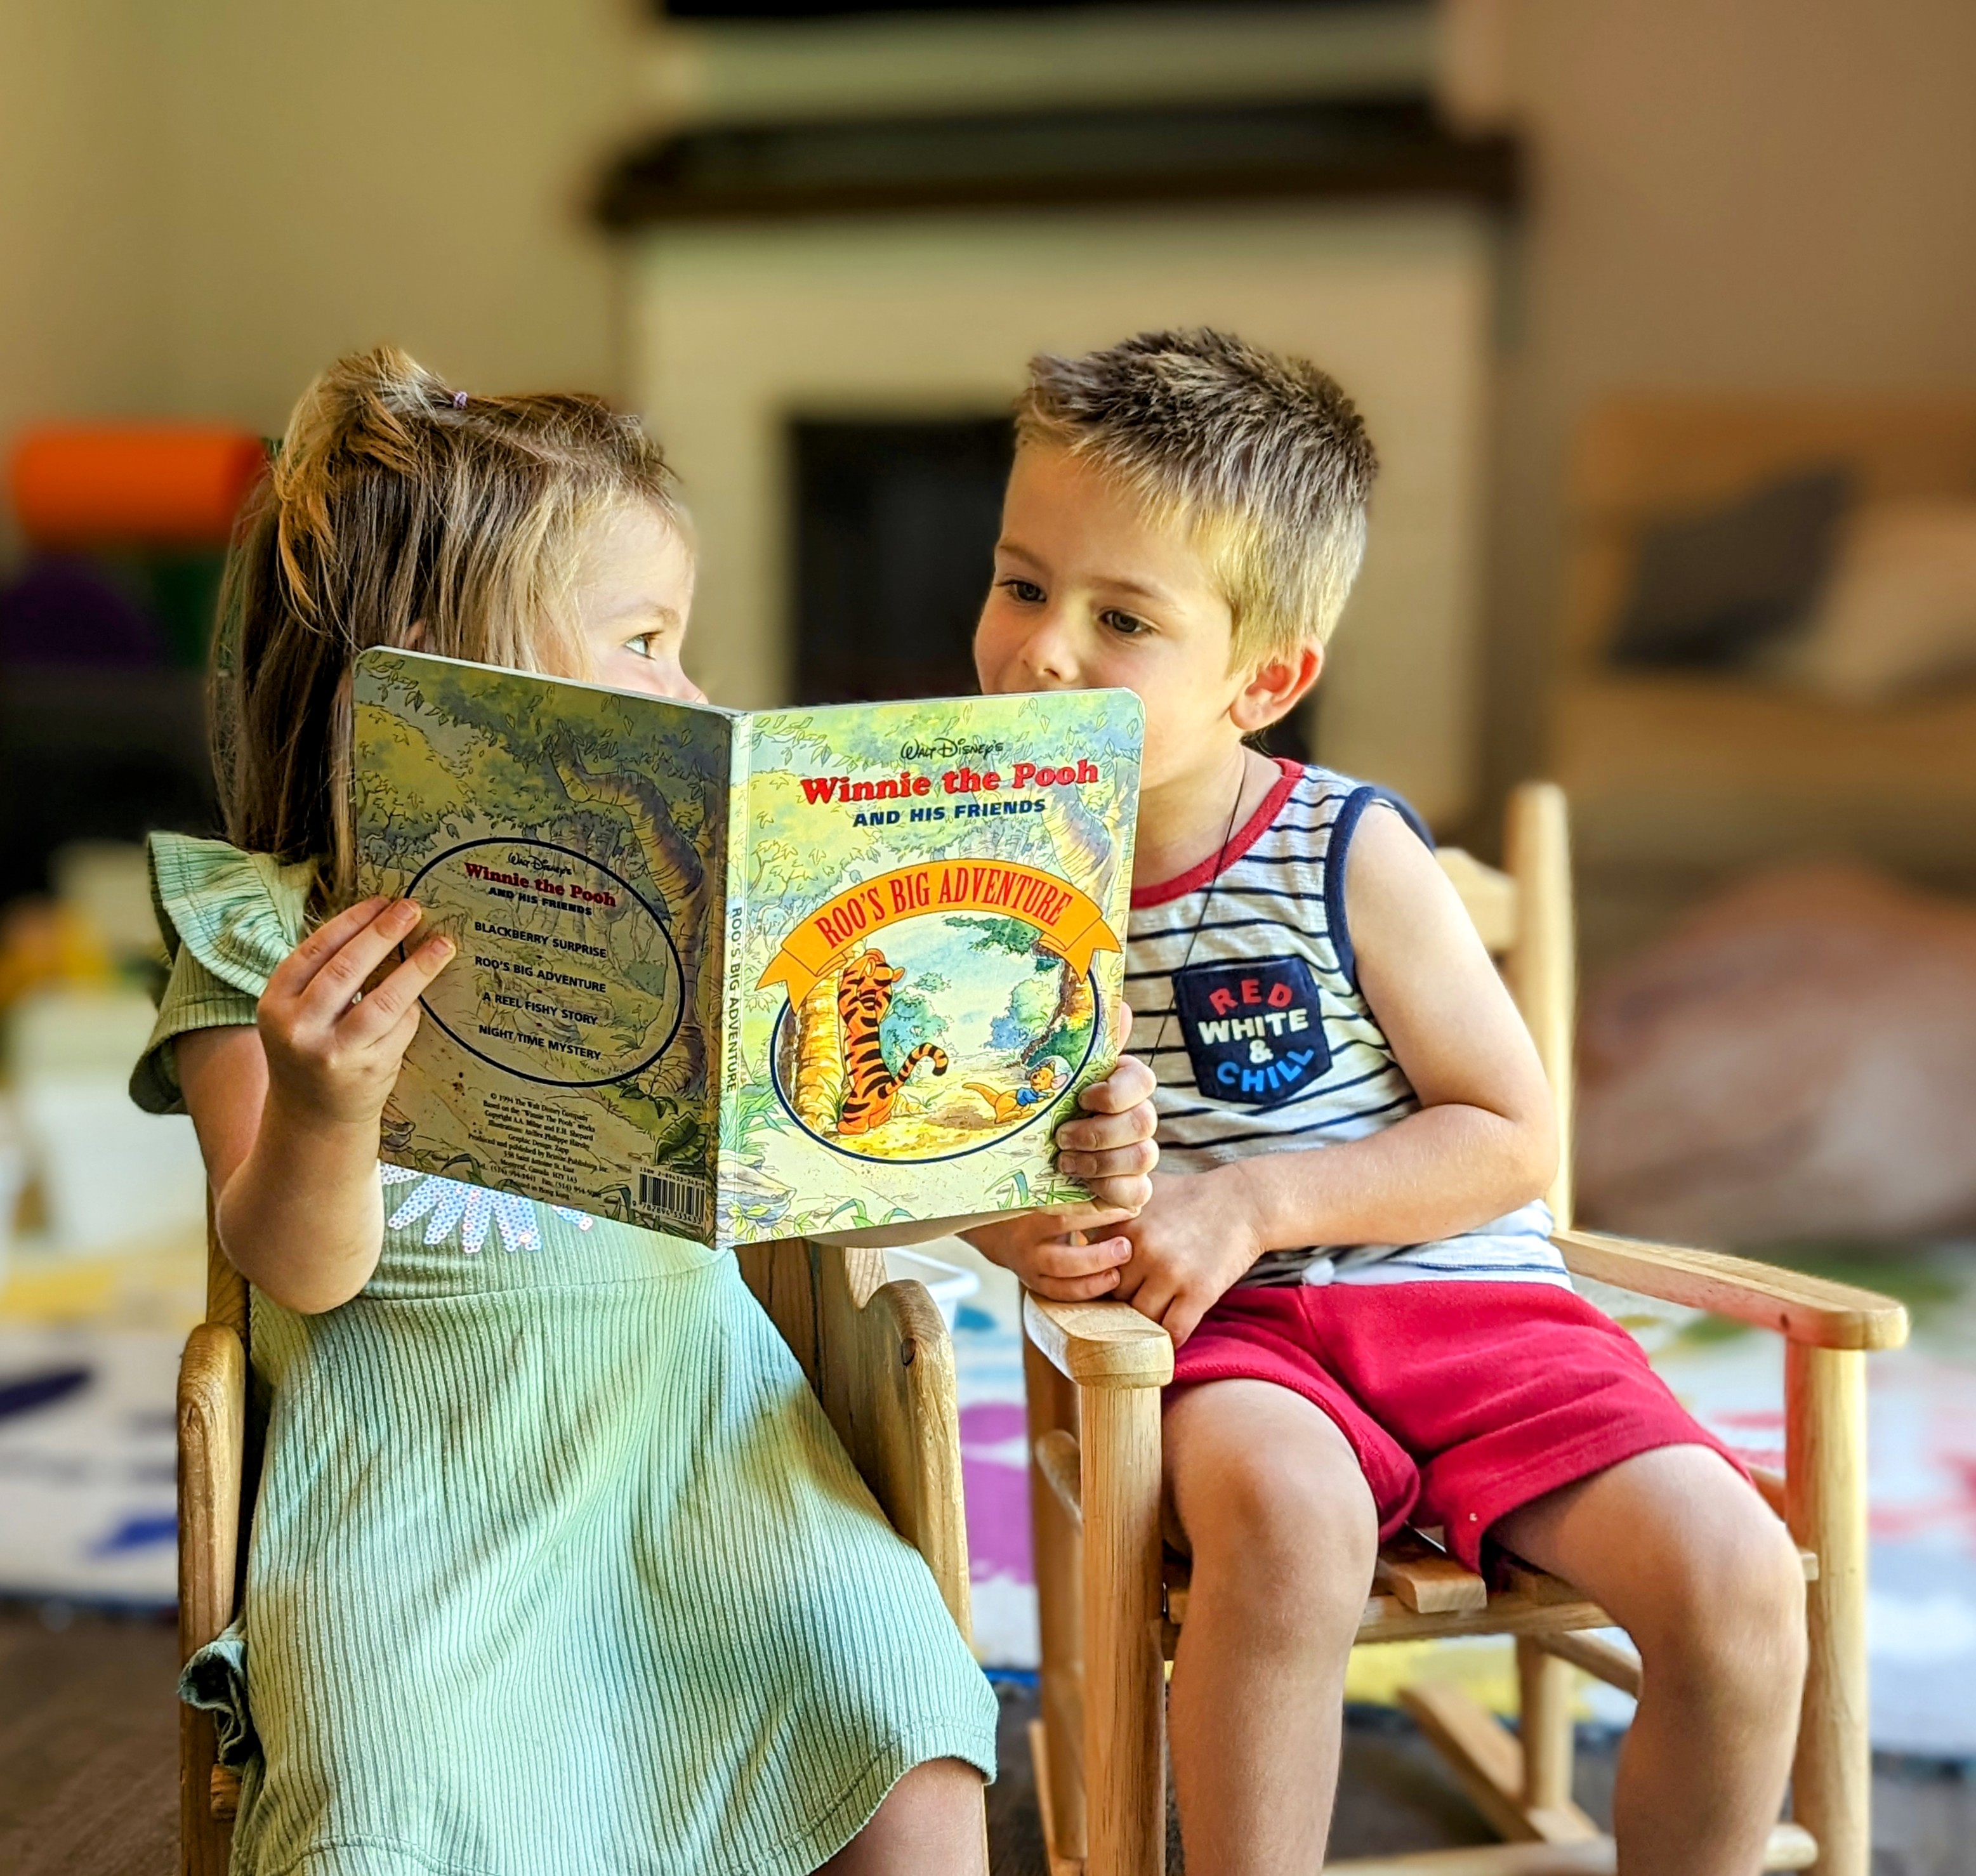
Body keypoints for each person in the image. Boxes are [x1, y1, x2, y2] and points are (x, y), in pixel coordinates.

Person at [131, 348, 1159, 1876]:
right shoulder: (259, 933)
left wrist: (1024, 1166)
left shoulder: (693, 913)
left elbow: (812, 1183)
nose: (691, 690)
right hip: (424, 1498)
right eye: (645, 643)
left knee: (903, 1714)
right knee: (387, 1802)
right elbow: (294, 1267)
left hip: (706, 1447)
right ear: (445, 675)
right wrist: (325, 1105)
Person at [965, 330, 1808, 1876]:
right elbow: (965, 1159)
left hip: (1471, 1312)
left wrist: (1261, 1199)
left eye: (1123, 618)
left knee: (1740, 1576)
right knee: (1288, 1532)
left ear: (1264, 679)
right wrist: (1033, 1232)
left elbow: (1509, 1135)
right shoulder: (979, 874)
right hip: (1218, 1342)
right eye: (1023, 585)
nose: (1044, 653)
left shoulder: (1347, 847)